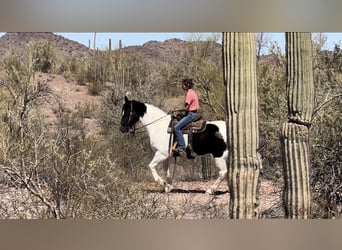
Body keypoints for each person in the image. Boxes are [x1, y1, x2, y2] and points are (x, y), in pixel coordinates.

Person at [173, 78, 200, 156]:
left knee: (176, 127)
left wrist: (176, 110)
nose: (182, 86)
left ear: (186, 86)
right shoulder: (192, 92)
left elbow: (186, 107)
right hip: (193, 113)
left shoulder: (189, 94)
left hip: (191, 114)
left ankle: (181, 147)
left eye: (183, 84)